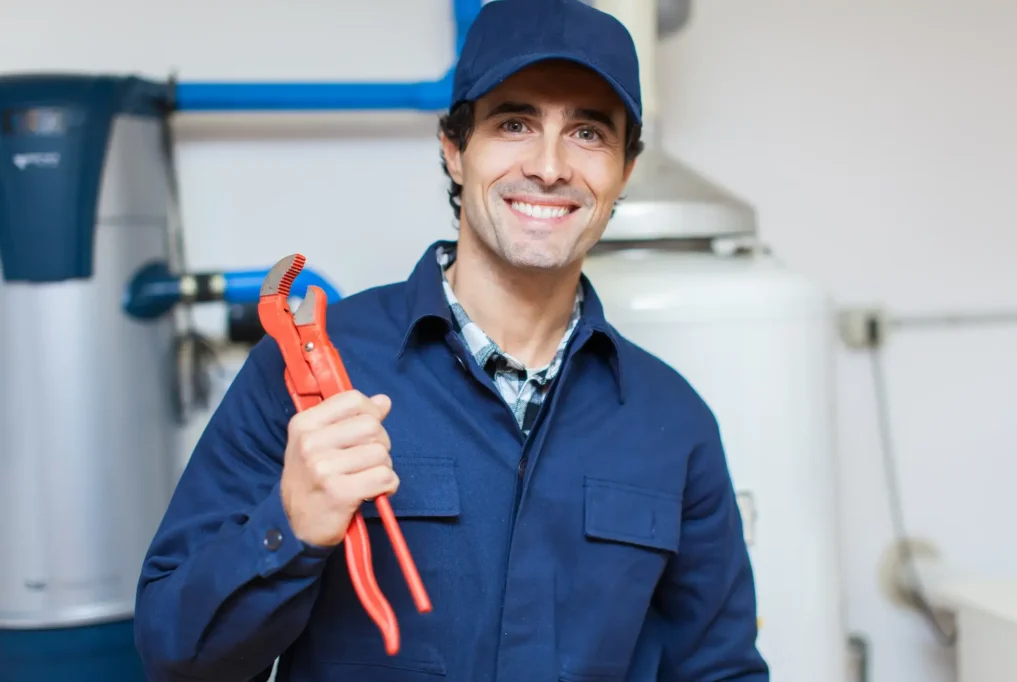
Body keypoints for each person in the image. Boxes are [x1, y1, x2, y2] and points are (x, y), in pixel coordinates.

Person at [133, 0, 770, 680]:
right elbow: (177, 655)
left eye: (587, 132)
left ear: (624, 172)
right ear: (455, 150)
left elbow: (718, 669)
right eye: (515, 123)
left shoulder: (674, 423)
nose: (550, 166)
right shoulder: (312, 379)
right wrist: (290, 526)